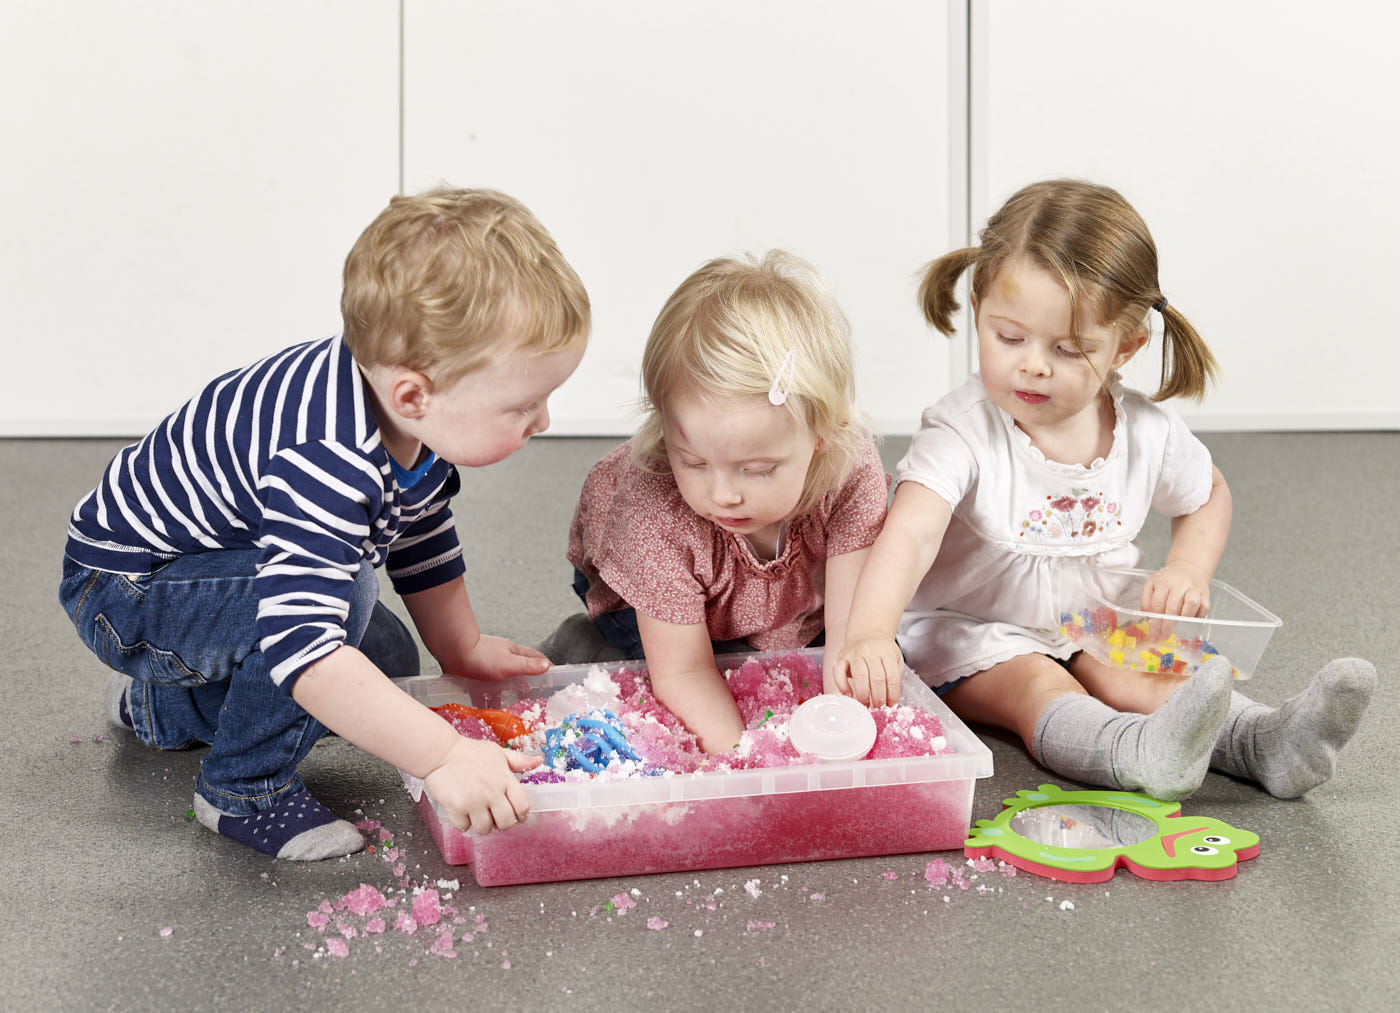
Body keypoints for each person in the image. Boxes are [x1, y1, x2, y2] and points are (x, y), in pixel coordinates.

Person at [59, 188, 591, 859]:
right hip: (126, 591)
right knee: (340, 610)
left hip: (212, 573)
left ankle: (161, 709)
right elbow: (304, 648)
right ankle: (241, 790)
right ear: (414, 395)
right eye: (524, 404)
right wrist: (445, 755)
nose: (542, 421)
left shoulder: (398, 409)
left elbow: (419, 524)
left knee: (388, 658)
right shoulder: (329, 457)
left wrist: (460, 646)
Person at [835, 179, 1375, 800]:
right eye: (1008, 337)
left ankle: (1267, 743)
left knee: (1150, 681)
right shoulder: (963, 431)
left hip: (1091, 617)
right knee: (1039, 687)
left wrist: (1189, 568)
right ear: (979, 308)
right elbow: (911, 529)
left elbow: (1207, 494)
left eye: (1069, 350)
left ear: (1126, 346)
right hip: (974, 628)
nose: (1032, 364)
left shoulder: (1146, 430)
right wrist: (871, 632)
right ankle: (1133, 755)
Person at [544, 251, 888, 753]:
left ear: (823, 436)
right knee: (688, 677)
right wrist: (746, 760)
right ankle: (588, 644)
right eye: (695, 462)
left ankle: (762, 635)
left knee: (867, 662)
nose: (722, 495)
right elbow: (683, 671)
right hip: (648, 591)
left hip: (786, 594)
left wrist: (841, 732)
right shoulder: (651, 514)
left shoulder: (851, 469)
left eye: (758, 469)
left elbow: (848, 632)